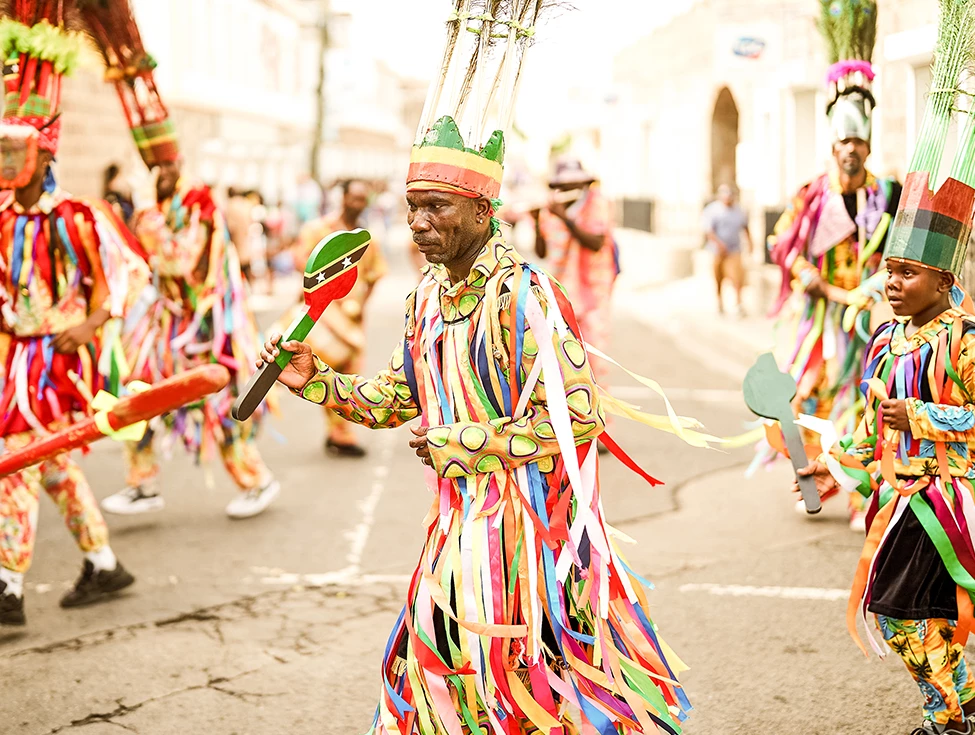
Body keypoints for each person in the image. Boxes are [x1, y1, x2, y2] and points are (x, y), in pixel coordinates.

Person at [255, 7, 692, 730]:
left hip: (524, 538)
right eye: (412, 208)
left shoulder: (526, 297)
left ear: (483, 210)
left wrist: (465, 443)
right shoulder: (423, 294)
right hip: (455, 527)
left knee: (518, 685)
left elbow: (577, 417)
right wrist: (318, 381)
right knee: (442, 678)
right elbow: (402, 393)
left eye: (437, 207)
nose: (418, 223)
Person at [797, 7, 975, 730]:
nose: (891, 283)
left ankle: (948, 713)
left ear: (942, 277)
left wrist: (924, 417)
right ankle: (957, 702)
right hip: (900, 502)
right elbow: (874, 429)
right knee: (907, 611)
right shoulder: (888, 338)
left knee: (904, 614)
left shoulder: (962, 337)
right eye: (887, 270)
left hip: (948, 506)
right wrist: (842, 461)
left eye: (906, 272)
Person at [79, 0, 281, 520]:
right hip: (167, 329)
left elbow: (178, 261)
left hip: (205, 331)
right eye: (151, 165)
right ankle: (143, 482)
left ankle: (256, 480)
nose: (157, 172)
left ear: (176, 163)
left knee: (216, 407)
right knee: (140, 398)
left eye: (162, 165)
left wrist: (146, 221)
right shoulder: (164, 202)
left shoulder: (196, 204)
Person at [0, 5, 151, 625]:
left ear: (42, 155)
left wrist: (89, 327)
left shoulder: (79, 218)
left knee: (15, 466)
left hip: (56, 366)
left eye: (14, 149)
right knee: (56, 466)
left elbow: (126, 275)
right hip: (18, 361)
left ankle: (7, 586)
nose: (6, 160)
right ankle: (103, 563)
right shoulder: (5, 219)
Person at [764, 0, 900, 530]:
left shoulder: (883, 194)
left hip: (869, 317)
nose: (852, 150)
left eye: (860, 141)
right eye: (845, 141)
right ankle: (813, 484)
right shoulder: (813, 195)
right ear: (833, 143)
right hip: (820, 322)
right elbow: (782, 243)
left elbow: (900, 246)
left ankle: (862, 494)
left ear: (868, 146)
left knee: (867, 403)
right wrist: (807, 277)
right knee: (812, 402)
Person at [289, 179, 386, 457]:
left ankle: (339, 432)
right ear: (341, 198)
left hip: (352, 321)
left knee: (349, 376)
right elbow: (301, 263)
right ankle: (339, 433)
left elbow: (375, 275)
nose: (357, 204)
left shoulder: (368, 239)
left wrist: (361, 304)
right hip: (322, 316)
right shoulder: (317, 231)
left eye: (362, 199)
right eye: (353, 198)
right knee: (319, 368)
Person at [533, 159, 619, 397]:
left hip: (593, 295)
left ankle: (600, 428)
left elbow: (596, 242)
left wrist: (565, 218)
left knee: (594, 363)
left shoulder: (597, 204)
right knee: (563, 364)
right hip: (561, 297)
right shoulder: (549, 211)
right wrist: (535, 222)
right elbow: (541, 251)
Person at [702, 184, 751, 316]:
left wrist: (750, 244)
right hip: (717, 250)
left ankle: (738, 303)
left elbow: (746, 228)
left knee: (737, 277)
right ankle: (719, 302)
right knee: (718, 277)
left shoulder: (739, 211)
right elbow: (709, 232)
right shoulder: (712, 210)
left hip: (734, 249)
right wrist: (719, 244)